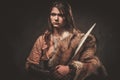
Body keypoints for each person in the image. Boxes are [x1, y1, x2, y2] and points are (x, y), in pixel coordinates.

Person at [25, 1, 108, 80]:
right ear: (50, 16)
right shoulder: (43, 39)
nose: (56, 18)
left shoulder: (82, 40)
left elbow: (92, 65)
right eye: (53, 14)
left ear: (67, 17)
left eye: (61, 15)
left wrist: (69, 69)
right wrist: (49, 74)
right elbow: (30, 66)